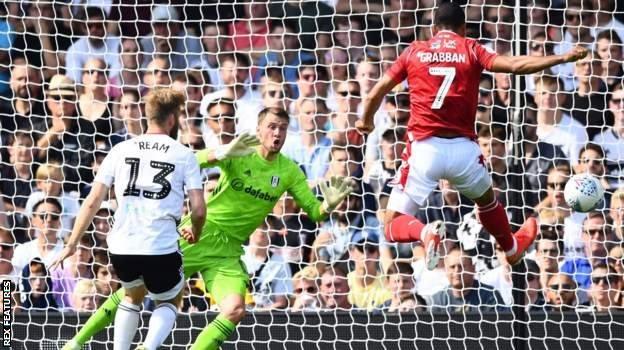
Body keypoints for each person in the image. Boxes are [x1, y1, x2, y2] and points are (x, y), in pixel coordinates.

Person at [61, 107, 354, 350]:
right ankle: (76, 342)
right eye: (271, 126)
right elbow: (192, 160)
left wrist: (328, 205)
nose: (277, 133)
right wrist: (221, 153)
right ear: (259, 127)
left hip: (227, 251)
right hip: (196, 235)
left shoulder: (288, 170)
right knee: (135, 292)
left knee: (236, 309)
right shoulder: (241, 151)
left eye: (282, 128)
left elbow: (314, 212)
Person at [356, 2, 588, 270]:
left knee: (390, 223)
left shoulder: (414, 51)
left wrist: (365, 120)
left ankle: (424, 233)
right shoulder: (471, 48)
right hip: (464, 152)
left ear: (432, 29)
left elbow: (378, 91)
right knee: (487, 203)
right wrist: (560, 58)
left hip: (425, 150)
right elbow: (514, 65)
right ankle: (512, 248)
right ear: (464, 28)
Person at [52, 88, 206, 350]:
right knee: (170, 300)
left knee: (132, 295)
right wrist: (196, 229)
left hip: (121, 247)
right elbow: (199, 209)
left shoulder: (120, 149)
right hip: (160, 246)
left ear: (147, 116)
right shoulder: (183, 154)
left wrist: (71, 243)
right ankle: (148, 347)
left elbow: (92, 200)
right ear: (172, 119)